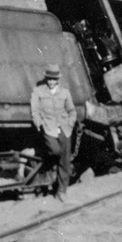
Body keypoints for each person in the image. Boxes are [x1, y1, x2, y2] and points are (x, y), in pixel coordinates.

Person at [30, 64, 77, 202]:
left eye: (54, 79)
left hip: (65, 129)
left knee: (65, 161)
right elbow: (35, 111)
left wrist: (70, 123)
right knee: (55, 151)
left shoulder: (65, 92)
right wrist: (39, 123)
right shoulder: (38, 91)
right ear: (46, 79)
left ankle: (61, 191)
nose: (51, 82)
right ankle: (51, 172)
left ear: (58, 80)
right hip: (48, 128)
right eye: (49, 79)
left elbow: (72, 111)